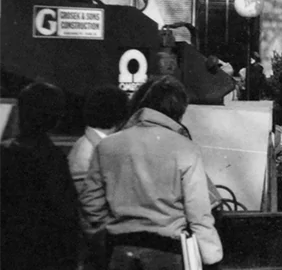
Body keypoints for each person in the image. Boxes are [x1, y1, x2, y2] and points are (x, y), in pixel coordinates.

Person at [79, 76, 224, 268]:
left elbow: (90, 202)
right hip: (167, 251)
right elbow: (199, 214)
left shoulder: (106, 146)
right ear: (179, 111)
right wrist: (211, 256)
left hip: (120, 249)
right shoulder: (186, 149)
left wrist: (112, 228)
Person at [0, 82, 80, 269]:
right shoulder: (54, 158)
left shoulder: (5, 153)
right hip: (45, 256)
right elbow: (65, 217)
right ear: (56, 118)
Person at [66, 85, 129, 269]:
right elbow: (90, 215)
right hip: (99, 252)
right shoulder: (88, 152)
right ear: (120, 116)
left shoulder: (94, 147)